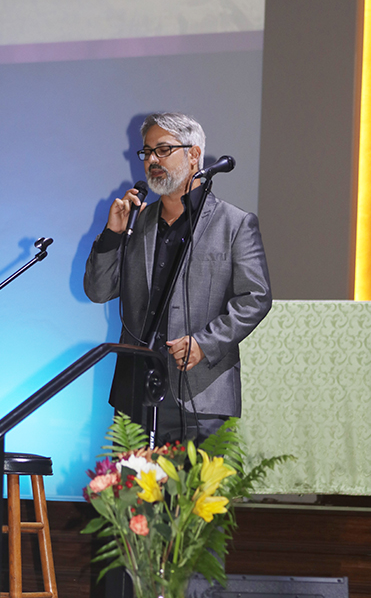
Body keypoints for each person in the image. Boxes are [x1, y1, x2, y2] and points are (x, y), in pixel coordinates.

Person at [84, 112, 272, 444]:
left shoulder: (235, 224)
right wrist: (112, 235)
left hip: (201, 393)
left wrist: (205, 342)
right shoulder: (136, 223)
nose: (152, 160)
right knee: (131, 496)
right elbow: (98, 291)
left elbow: (254, 297)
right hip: (135, 391)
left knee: (198, 496)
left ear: (194, 154)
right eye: (147, 152)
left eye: (163, 149)